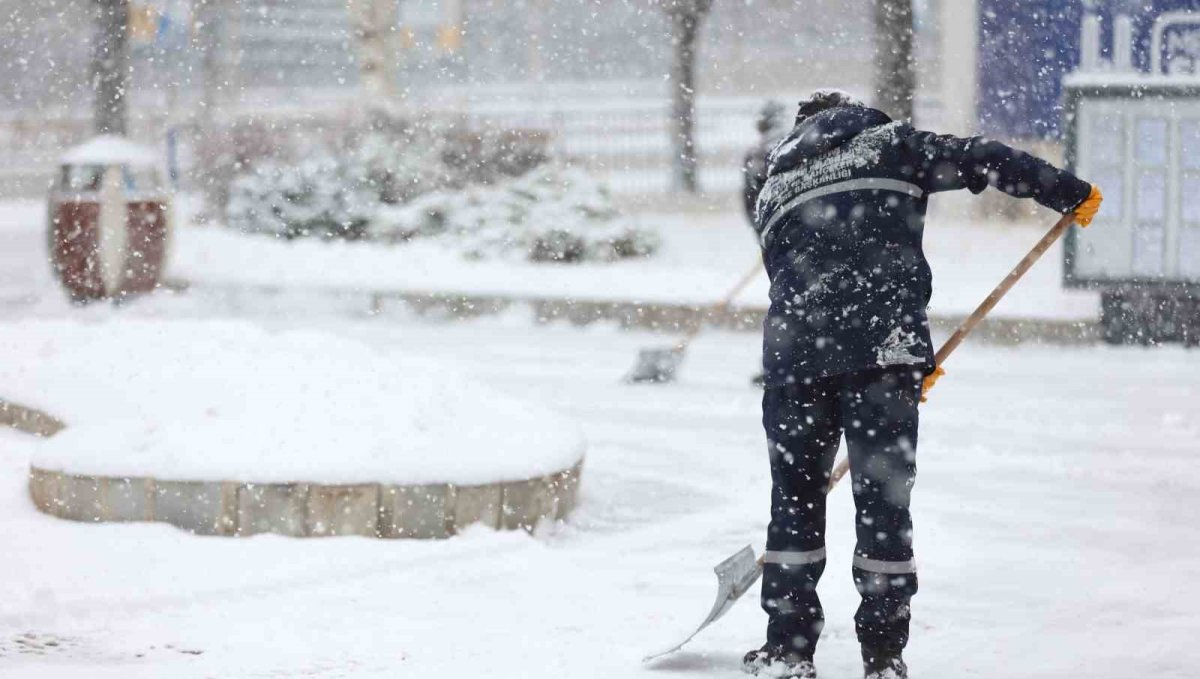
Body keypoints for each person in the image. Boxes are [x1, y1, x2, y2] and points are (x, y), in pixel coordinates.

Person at [740, 90, 1103, 679]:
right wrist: (1068, 192)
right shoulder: (889, 143)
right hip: (884, 351)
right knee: (884, 508)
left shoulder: (774, 184)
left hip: (794, 361)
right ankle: (883, 656)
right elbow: (984, 157)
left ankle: (787, 647)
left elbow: (804, 271)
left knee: (795, 502)